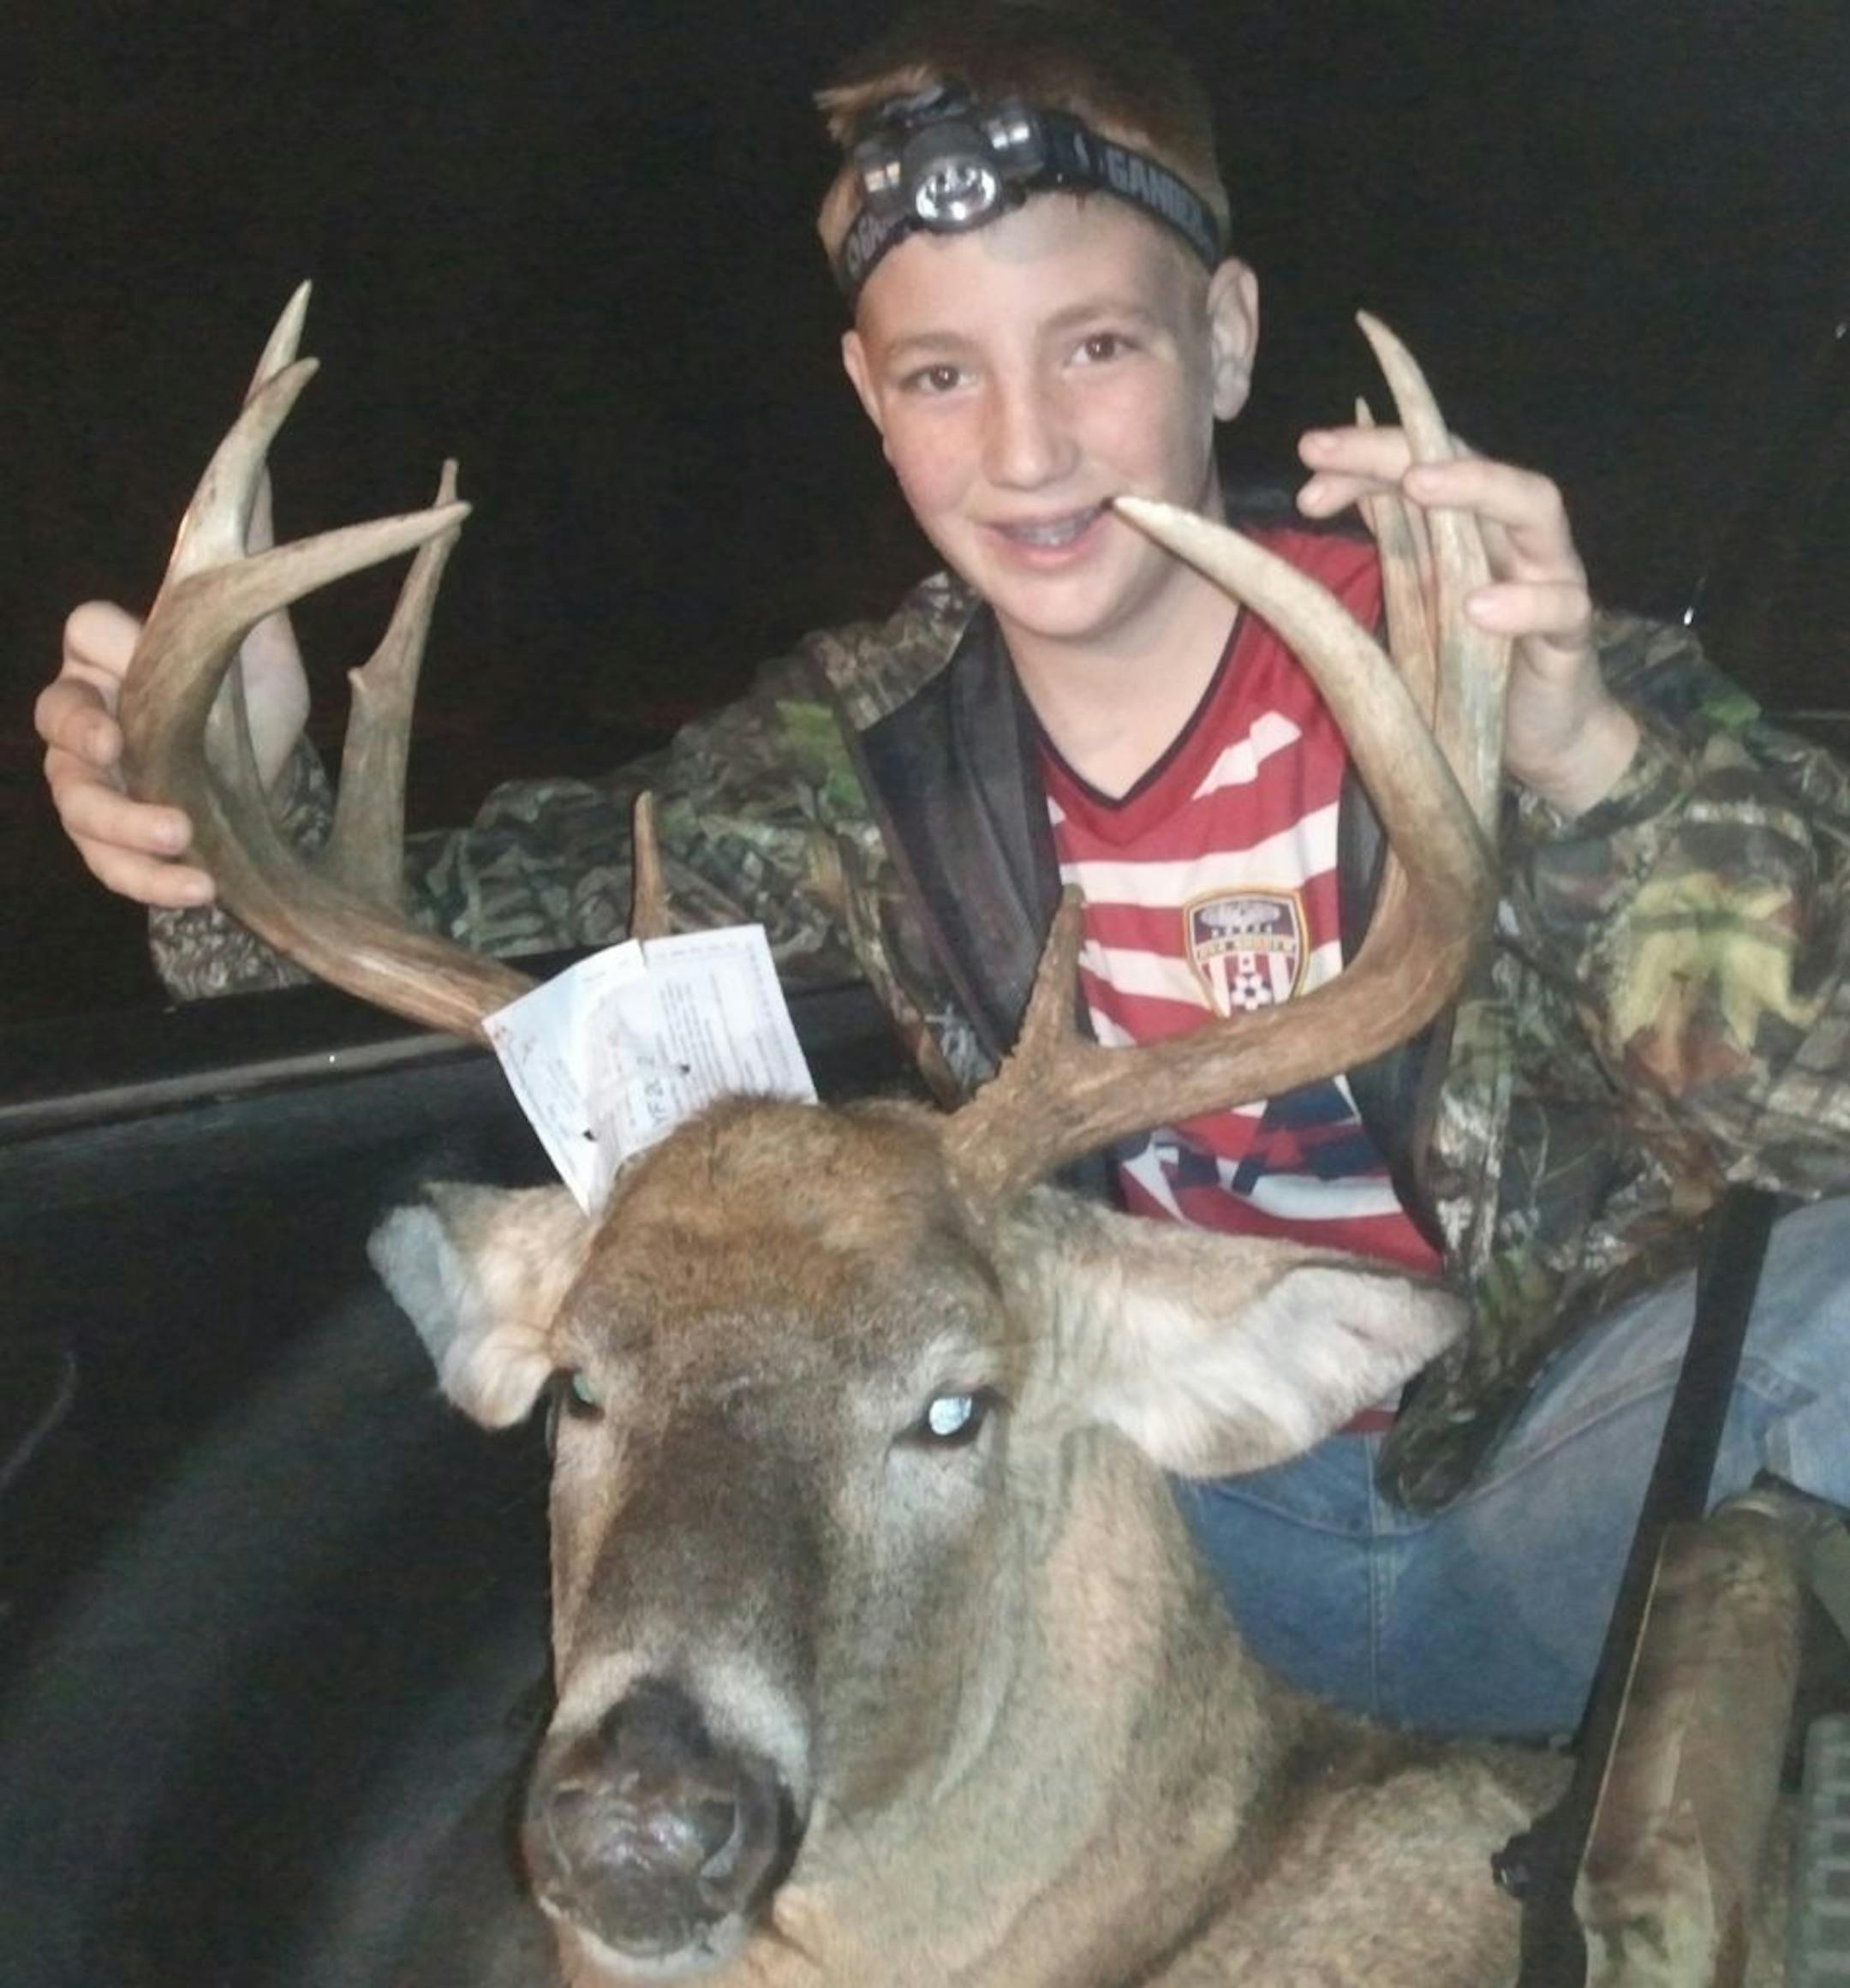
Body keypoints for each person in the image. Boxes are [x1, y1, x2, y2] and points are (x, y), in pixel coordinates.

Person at [34, 0, 1850, 1737]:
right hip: (1139, 1532)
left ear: (1220, 337)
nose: (1027, 448)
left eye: (1099, 347)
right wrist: (222, 820)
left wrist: (1593, 768)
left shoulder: (1489, 658)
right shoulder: (863, 750)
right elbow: (452, 927)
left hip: (1568, 1509)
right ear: (868, 393)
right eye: (941, 374)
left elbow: (1819, 1128)